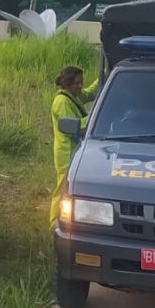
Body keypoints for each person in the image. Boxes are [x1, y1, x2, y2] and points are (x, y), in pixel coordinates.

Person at [50, 65, 99, 226]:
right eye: (77, 83)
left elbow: (90, 93)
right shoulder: (62, 101)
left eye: (81, 82)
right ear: (67, 83)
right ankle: (53, 223)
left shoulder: (74, 95)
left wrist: (104, 73)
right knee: (62, 189)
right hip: (66, 152)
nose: (80, 86)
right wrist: (98, 117)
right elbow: (77, 126)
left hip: (73, 151)